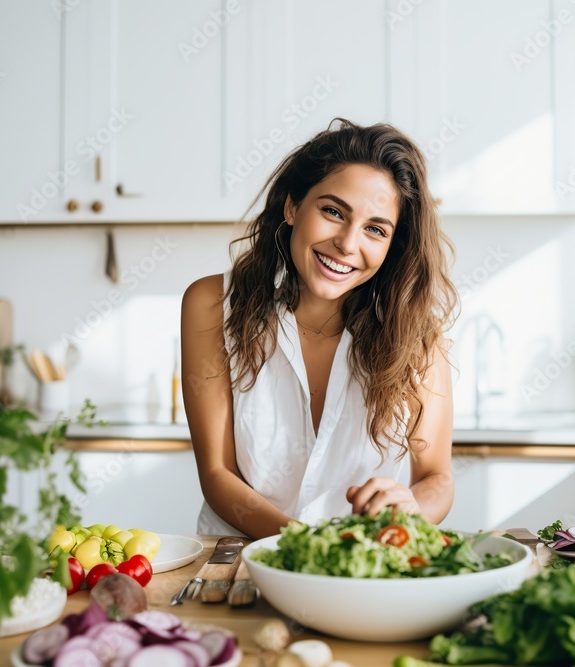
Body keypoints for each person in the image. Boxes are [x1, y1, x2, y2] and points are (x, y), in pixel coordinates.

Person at [181, 118, 458, 539]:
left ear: (392, 245)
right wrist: (306, 547)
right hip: (237, 565)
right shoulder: (211, 305)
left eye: (375, 229)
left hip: (356, 570)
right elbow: (218, 472)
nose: (348, 244)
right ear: (292, 206)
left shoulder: (417, 338)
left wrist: (411, 510)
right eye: (333, 212)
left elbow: (437, 477)